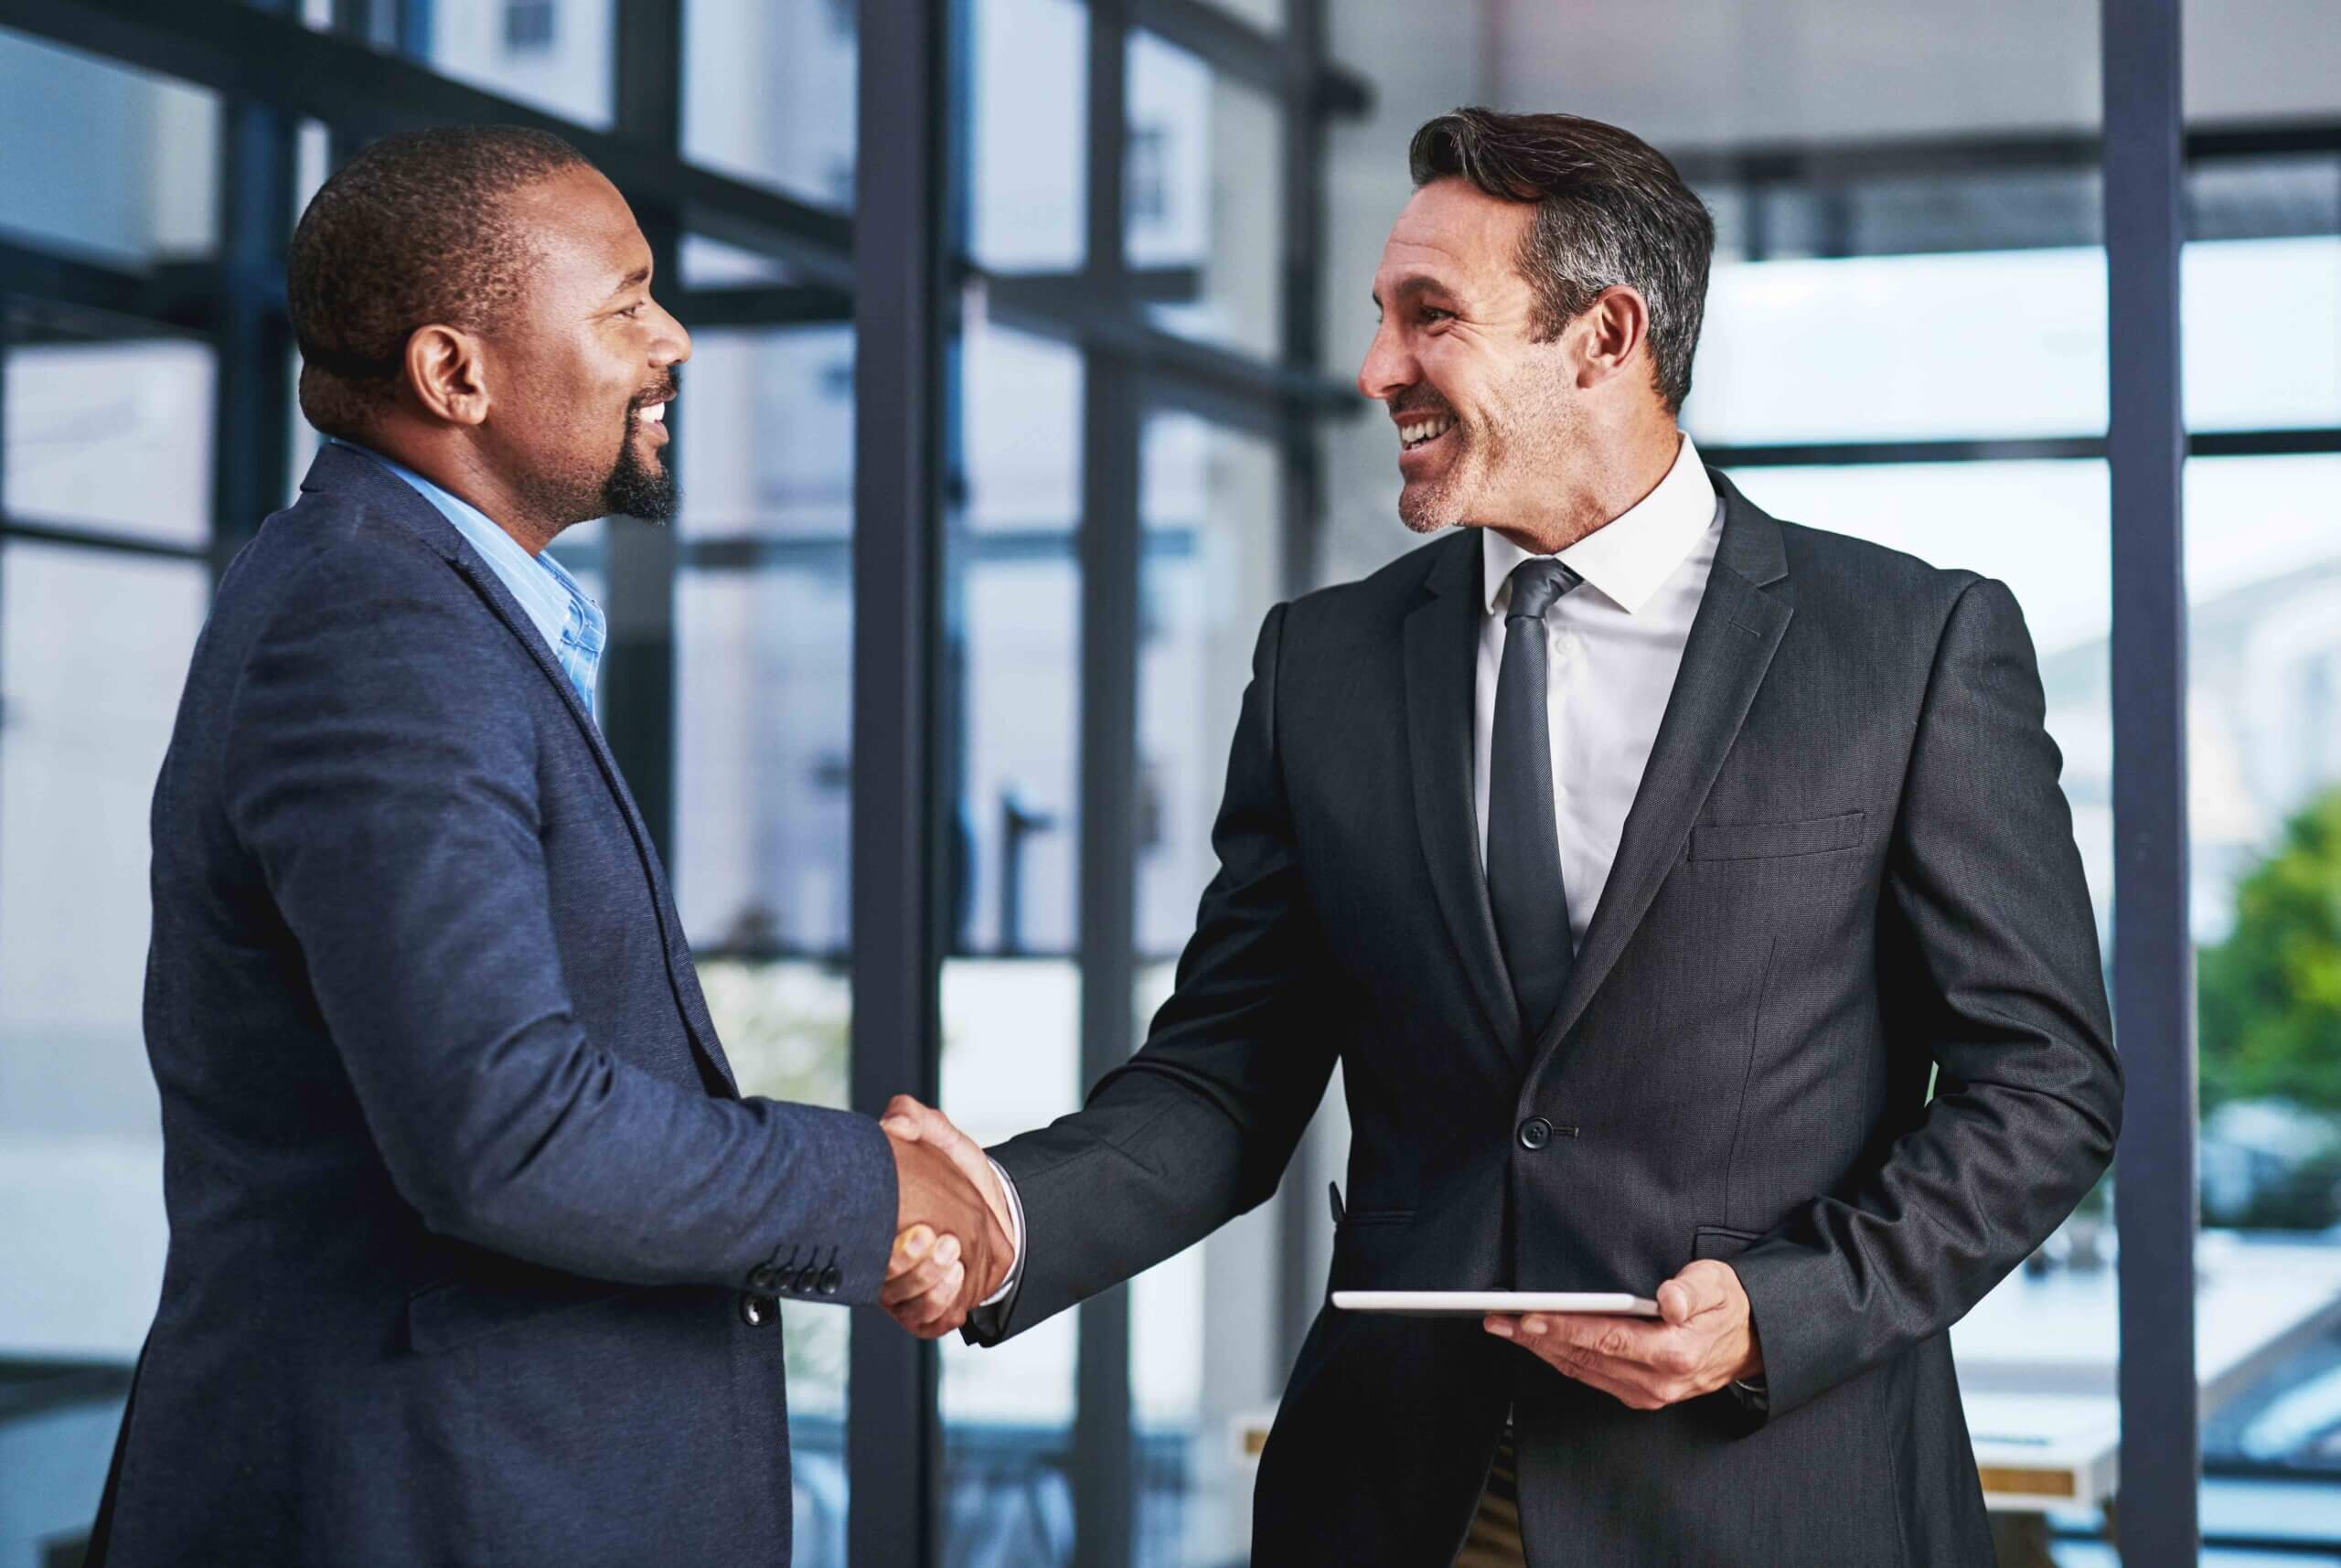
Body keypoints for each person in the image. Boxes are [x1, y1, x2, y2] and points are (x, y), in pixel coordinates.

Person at [882, 107, 2122, 1566]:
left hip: (1774, 1497)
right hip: (1401, 1499)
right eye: (1379, 318)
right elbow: (1226, 1076)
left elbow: (2044, 1083)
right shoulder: (1323, 667)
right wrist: (1013, 1217)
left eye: (1431, 318)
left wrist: (1781, 1312)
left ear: (1604, 336)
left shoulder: (1909, 647)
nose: (1377, 370)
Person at [91, 125, 1002, 1567]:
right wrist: (871, 1189)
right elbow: (509, 1128)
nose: (675, 341)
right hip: (427, 1508)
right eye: (625, 303)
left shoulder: (418, 604)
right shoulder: (378, 631)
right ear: (456, 374)